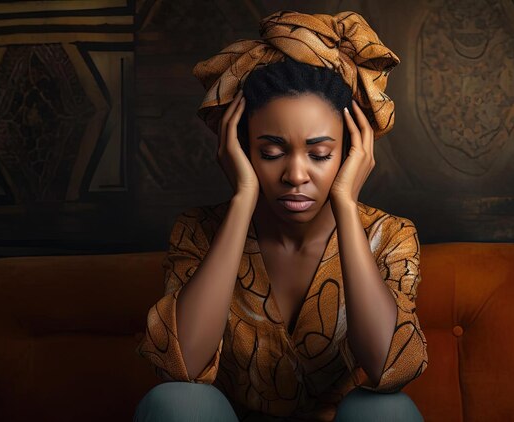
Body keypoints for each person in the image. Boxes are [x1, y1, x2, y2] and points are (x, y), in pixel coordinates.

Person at [134, 10, 428, 422]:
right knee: (176, 401)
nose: (294, 175)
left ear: (348, 151)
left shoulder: (391, 235)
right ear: (241, 149)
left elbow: (389, 368)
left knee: (387, 409)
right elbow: (178, 367)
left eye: (320, 154)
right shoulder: (197, 230)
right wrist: (242, 200)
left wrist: (345, 203)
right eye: (271, 152)